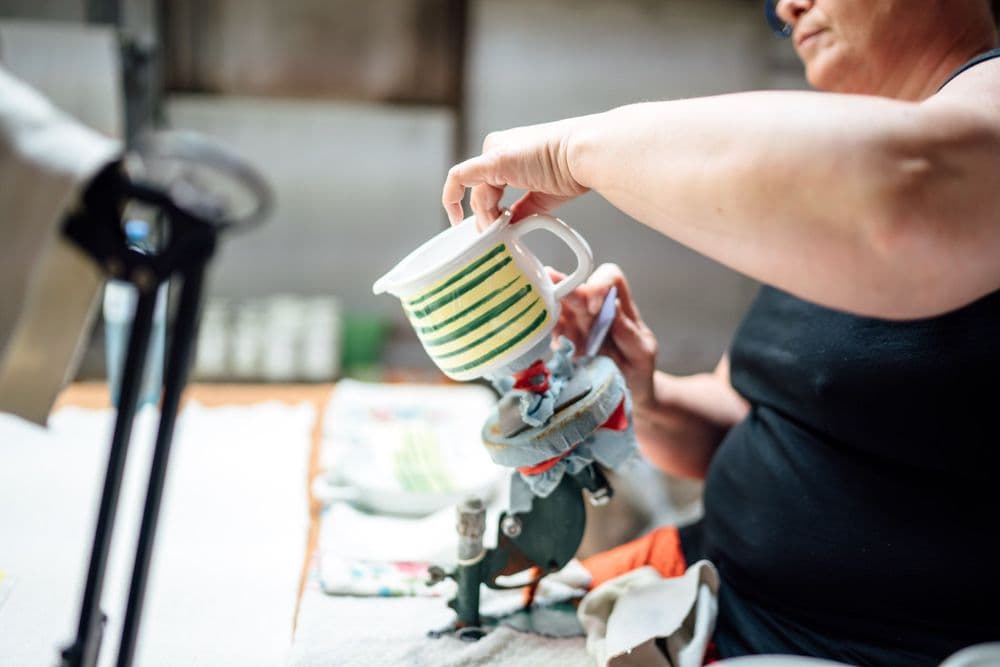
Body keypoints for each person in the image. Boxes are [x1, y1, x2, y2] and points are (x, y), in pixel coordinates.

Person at [441, 1, 1000, 665]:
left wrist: (571, 153)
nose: (787, 7)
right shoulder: (829, 198)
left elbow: (906, 194)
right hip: (708, 587)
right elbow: (743, 416)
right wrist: (644, 392)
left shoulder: (953, 146)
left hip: (831, 646)